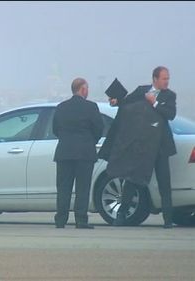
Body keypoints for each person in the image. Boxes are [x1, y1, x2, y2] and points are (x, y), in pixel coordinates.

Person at [103, 66, 176, 228]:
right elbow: (127, 102)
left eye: (168, 78)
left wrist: (154, 103)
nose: (167, 81)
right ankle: (121, 215)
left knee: (165, 182)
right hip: (141, 146)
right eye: (164, 78)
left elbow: (171, 114)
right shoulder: (142, 90)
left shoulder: (169, 96)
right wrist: (117, 101)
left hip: (160, 146)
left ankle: (168, 220)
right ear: (155, 79)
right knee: (133, 179)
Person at [53, 78, 104, 229]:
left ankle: (60, 220)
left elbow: (55, 129)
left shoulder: (61, 107)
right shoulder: (91, 107)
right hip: (84, 153)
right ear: (82, 89)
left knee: (63, 188)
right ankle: (81, 220)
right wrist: (89, 141)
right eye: (87, 88)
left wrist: (66, 139)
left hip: (64, 152)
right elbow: (99, 128)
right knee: (83, 188)